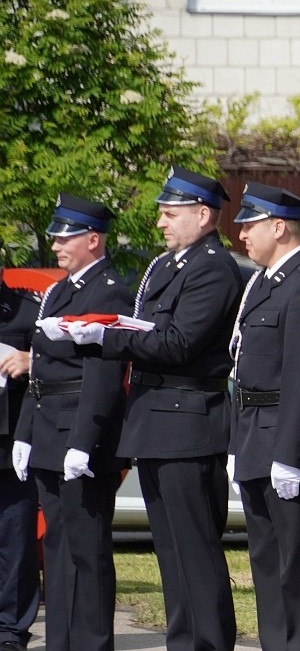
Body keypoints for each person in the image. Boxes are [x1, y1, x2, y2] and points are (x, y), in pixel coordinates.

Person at [67, 166, 242, 651]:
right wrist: (103, 335)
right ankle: (183, 642)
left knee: (196, 551)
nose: (161, 223)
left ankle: (207, 643)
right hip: (158, 420)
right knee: (170, 553)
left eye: (170, 213)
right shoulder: (168, 265)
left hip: (188, 423)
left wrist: (108, 336)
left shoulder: (212, 267)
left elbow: (179, 342)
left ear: (203, 215)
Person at [11, 195, 132, 651]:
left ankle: (92, 642)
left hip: (80, 436)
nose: (57, 244)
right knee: (58, 552)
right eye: (57, 236)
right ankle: (61, 641)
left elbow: (102, 374)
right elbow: (40, 366)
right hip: (47, 429)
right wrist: (25, 433)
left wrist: (83, 441)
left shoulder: (109, 290)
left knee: (87, 551)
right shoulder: (60, 290)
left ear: (93, 239)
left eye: (66, 237)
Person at [229, 183, 300, 651]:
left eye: (250, 226)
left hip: (286, 445)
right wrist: (238, 445)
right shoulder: (265, 283)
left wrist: (289, 454)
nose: (242, 236)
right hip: (254, 437)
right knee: (266, 564)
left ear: (279, 227)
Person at [0, 253, 39, 651]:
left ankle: (11, 631)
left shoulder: (27, 312)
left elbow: (54, 367)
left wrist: (31, 363)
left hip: (10, 445)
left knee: (16, 543)